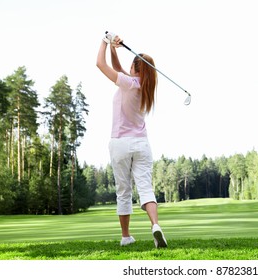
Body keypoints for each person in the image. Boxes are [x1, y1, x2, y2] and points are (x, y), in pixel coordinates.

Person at [96, 32, 167, 248]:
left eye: (132, 66)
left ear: (136, 69)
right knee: (146, 188)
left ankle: (126, 236)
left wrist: (103, 40)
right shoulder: (145, 86)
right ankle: (155, 225)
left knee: (123, 191)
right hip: (142, 144)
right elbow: (119, 71)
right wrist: (113, 48)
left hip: (120, 143)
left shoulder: (129, 83)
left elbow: (100, 64)